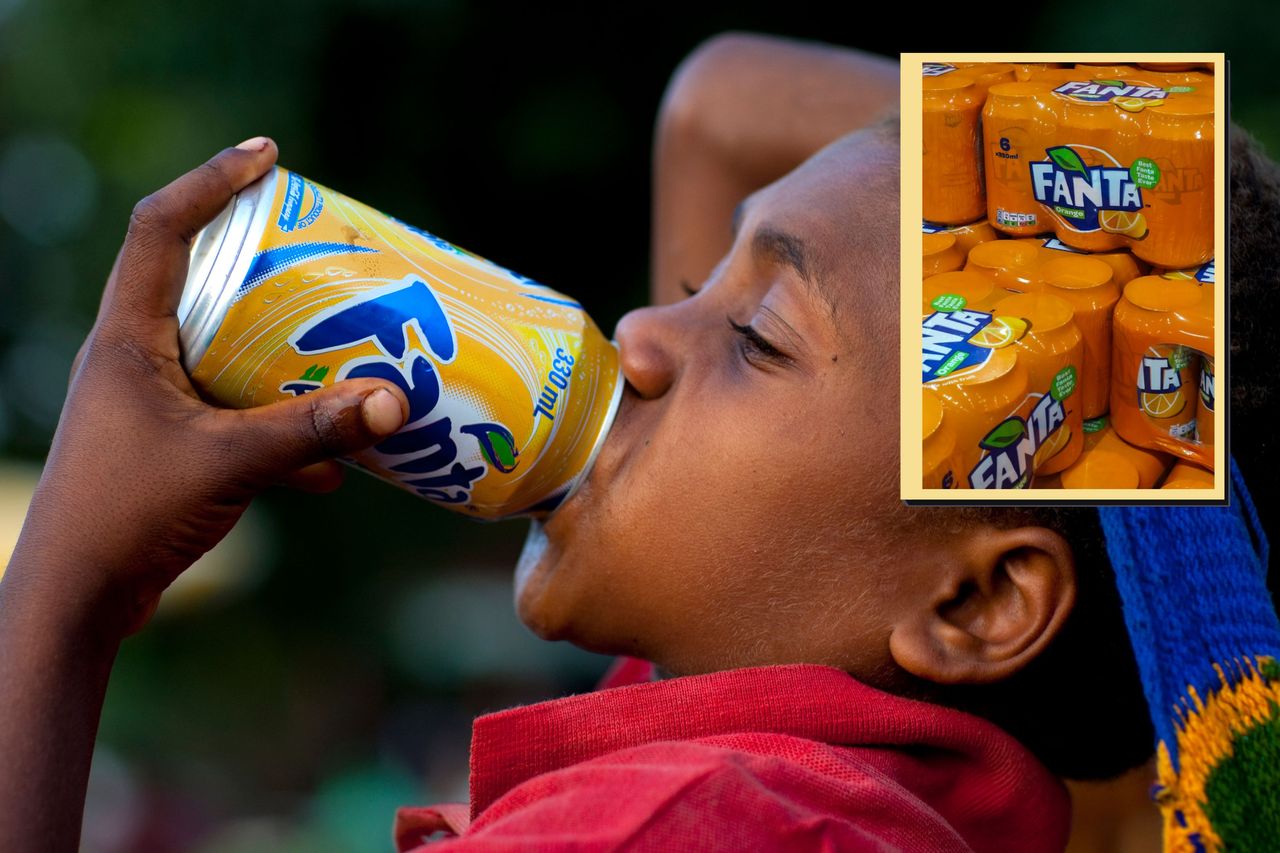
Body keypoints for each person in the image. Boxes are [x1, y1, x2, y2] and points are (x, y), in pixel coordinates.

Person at [0, 35, 1275, 852]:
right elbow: (717, 105)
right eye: (699, 278)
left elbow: (723, 98)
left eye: (758, 338)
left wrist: (64, 596)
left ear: (979, 598)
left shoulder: (674, 824)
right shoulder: (871, 792)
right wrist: (1132, 239)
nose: (640, 334)